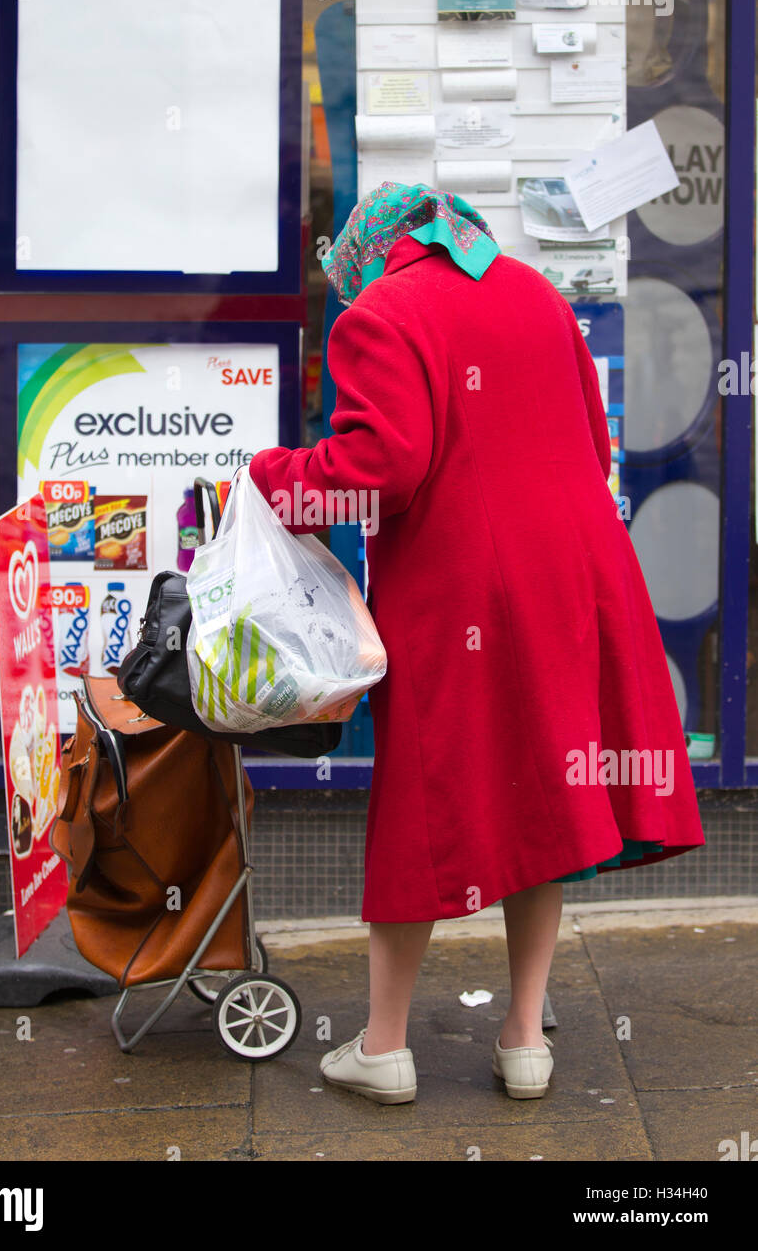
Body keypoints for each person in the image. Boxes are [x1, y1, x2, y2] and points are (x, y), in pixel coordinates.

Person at [248, 182, 705, 1104]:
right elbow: (593, 443)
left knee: (426, 797)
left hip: (468, 592)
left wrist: (272, 475)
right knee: (548, 790)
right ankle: (525, 1038)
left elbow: (382, 469)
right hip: (579, 575)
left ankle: (383, 1048)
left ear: (375, 254)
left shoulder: (383, 314)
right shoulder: (536, 292)